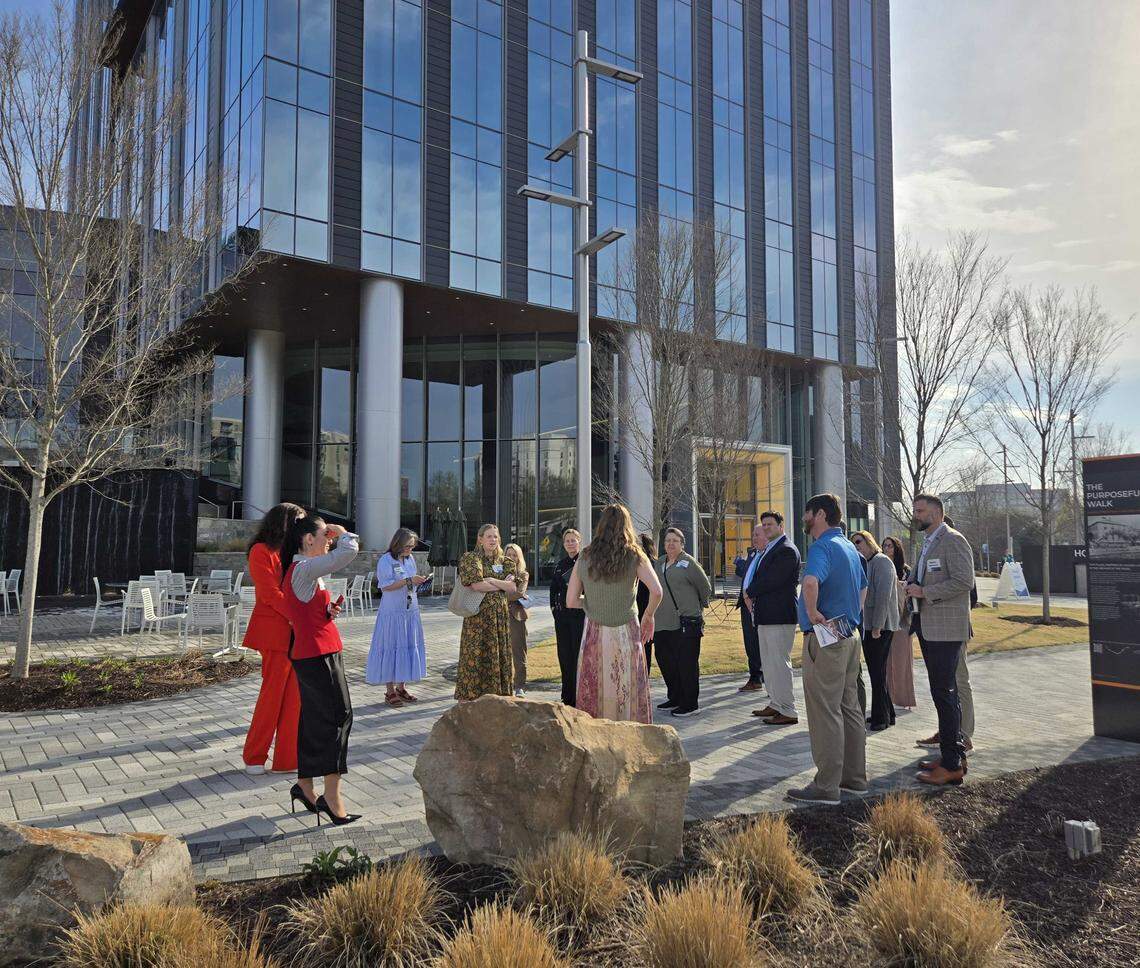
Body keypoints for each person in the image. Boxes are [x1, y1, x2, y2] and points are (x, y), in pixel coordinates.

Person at [787, 493, 868, 806]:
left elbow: (809, 583)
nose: (805, 519)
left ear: (819, 514)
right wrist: (851, 616)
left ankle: (826, 786)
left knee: (825, 710)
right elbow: (863, 587)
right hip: (848, 632)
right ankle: (854, 779)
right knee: (850, 707)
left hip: (826, 634)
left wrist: (814, 614)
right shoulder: (849, 546)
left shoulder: (822, 546)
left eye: (807, 513)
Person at [281, 515, 361, 826]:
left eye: (329, 534)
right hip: (318, 655)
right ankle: (331, 796)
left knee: (316, 721)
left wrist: (327, 611)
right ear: (307, 540)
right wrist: (343, 533)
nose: (328, 538)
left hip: (315, 652)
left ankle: (305, 786)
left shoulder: (305, 572)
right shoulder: (304, 567)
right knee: (338, 718)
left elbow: (305, 612)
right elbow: (347, 552)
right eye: (323, 533)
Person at [567, 504, 662, 723]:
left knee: (596, 690)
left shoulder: (585, 556)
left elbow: (571, 601)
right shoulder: (635, 555)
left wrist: (592, 603)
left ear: (601, 526)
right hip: (626, 632)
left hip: (594, 633)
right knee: (626, 689)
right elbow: (657, 591)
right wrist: (649, 615)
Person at [905, 493, 975, 786]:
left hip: (946, 630)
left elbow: (964, 581)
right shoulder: (929, 542)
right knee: (942, 694)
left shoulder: (953, 540)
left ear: (936, 512)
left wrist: (925, 593)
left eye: (920, 510)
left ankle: (952, 764)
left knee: (946, 694)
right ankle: (950, 754)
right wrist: (911, 585)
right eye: (915, 510)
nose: (916, 515)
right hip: (929, 627)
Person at [241, 502, 307, 775]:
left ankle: (287, 759)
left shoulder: (292, 552)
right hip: (274, 633)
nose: (302, 528)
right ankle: (255, 756)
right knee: (272, 696)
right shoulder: (261, 551)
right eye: (299, 522)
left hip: (295, 633)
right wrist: (296, 614)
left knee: (294, 698)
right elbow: (268, 594)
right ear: (285, 522)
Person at [747, 510, 802, 726]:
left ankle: (788, 710)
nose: (767, 527)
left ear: (781, 525)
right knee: (769, 664)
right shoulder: (771, 548)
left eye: (770, 524)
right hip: (767, 615)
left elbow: (772, 580)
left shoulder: (786, 550)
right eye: (764, 524)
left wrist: (750, 591)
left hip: (779, 615)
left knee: (779, 663)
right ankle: (776, 703)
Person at [366, 527, 429, 706]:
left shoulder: (409, 559)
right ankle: (389, 690)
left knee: (407, 645)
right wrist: (409, 581)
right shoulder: (386, 560)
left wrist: (420, 582)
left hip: (409, 611)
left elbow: (410, 584)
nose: (410, 549)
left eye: (412, 546)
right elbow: (385, 586)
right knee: (391, 646)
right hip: (392, 612)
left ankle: (401, 686)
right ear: (398, 543)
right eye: (408, 546)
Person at [654, 528, 713, 718]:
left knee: (686, 663)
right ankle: (675, 696)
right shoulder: (660, 562)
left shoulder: (688, 563)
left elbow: (705, 587)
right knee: (666, 660)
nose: (671, 544)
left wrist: (698, 606)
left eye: (675, 541)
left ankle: (689, 703)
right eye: (668, 540)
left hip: (686, 621)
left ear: (682, 544)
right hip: (663, 621)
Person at [454, 523, 515, 701]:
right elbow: (476, 585)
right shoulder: (471, 558)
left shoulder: (506, 561)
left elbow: (512, 588)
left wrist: (490, 579)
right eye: (488, 536)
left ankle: (497, 699)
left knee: (498, 655)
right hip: (478, 619)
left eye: (495, 537)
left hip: (499, 619)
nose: (493, 540)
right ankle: (468, 701)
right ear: (480, 539)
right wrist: (500, 583)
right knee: (475, 657)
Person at [852, 530, 899, 731]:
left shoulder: (882, 562)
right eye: (853, 543)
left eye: (859, 542)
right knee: (875, 670)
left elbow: (883, 597)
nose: (856, 546)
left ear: (869, 541)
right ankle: (888, 712)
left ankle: (881, 717)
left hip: (881, 626)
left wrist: (878, 626)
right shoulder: (867, 563)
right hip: (868, 625)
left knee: (877, 672)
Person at [549, 528, 586, 706]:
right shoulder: (559, 565)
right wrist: (556, 613)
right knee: (564, 656)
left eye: (573, 540)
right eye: (567, 541)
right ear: (563, 544)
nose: (570, 543)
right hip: (563, 619)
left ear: (579, 541)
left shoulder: (586, 563)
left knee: (579, 655)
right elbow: (553, 591)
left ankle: (582, 695)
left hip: (580, 616)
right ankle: (568, 695)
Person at [881, 535, 917, 710]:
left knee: (903, 660)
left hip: (903, 620)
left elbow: (912, 595)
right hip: (885, 620)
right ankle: (888, 697)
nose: (886, 549)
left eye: (889, 546)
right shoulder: (880, 567)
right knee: (886, 661)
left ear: (896, 549)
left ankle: (904, 698)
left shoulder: (905, 570)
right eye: (884, 546)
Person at [733, 524, 768, 693]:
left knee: (763, 643)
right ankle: (755, 678)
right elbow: (747, 573)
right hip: (746, 606)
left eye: (757, 534)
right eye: (753, 534)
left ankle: (766, 679)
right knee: (750, 643)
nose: (754, 537)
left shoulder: (768, 555)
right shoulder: (753, 553)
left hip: (760, 605)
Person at [503, 542, 531, 697]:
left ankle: (519, 685)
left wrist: (500, 588)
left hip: (516, 617)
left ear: (519, 558)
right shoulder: (497, 571)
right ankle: (503, 684)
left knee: (518, 652)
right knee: (500, 652)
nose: (511, 558)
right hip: (497, 615)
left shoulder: (523, 574)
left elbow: (518, 594)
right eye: (509, 554)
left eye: (515, 555)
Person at [636, 532, 658, 675]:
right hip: (650, 608)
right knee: (646, 647)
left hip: (639, 608)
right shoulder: (655, 564)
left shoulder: (639, 564)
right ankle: (645, 677)